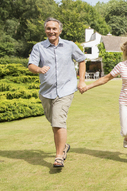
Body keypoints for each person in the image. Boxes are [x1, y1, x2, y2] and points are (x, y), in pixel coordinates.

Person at [28, 17, 87, 168]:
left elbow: (81, 60)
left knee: (58, 122)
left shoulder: (70, 45)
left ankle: (59, 156)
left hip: (65, 90)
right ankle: (64, 145)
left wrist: (81, 80)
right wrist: (39, 69)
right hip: (46, 92)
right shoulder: (39, 47)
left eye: (54, 29)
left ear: (60, 30)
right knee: (53, 121)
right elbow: (31, 65)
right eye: (48, 28)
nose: (51, 31)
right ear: (45, 30)